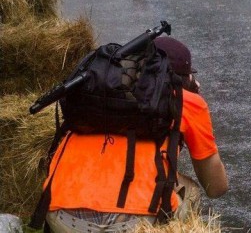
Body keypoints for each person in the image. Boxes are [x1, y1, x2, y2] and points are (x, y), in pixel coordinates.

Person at [43, 36, 228, 233]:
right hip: (131, 226)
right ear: (183, 78)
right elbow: (216, 187)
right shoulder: (187, 101)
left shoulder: (98, 92)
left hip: (59, 216)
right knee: (190, 190)